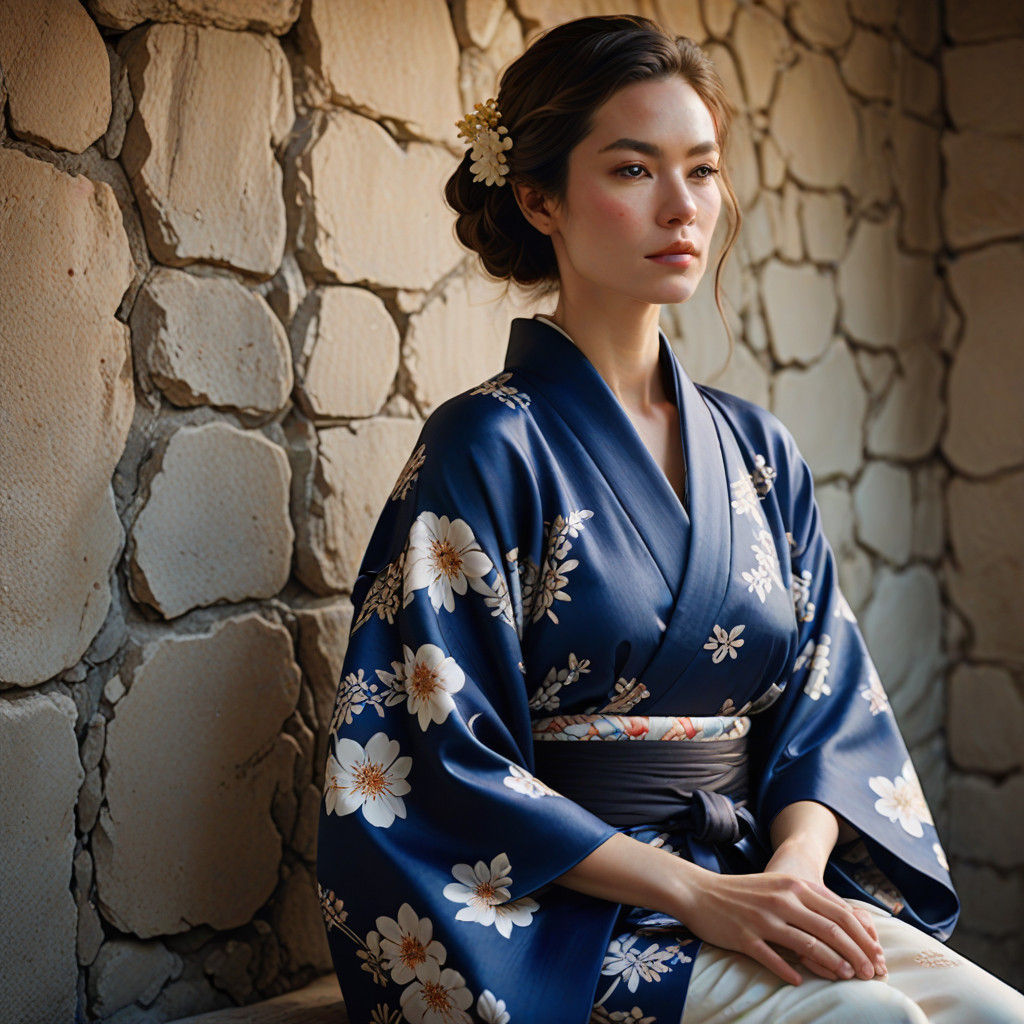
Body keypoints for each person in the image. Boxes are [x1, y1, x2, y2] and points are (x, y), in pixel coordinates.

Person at [316, 15, 1024, 1024]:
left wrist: (787, 875)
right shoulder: (483, 444)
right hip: (565, 909)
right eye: (634, 169)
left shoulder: (757, 450)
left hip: (749, 877)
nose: (683, 206)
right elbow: (438, 752)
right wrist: (698, 895)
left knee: (994, 1015)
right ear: (538, 196)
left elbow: (830, 712)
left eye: (701, 168)